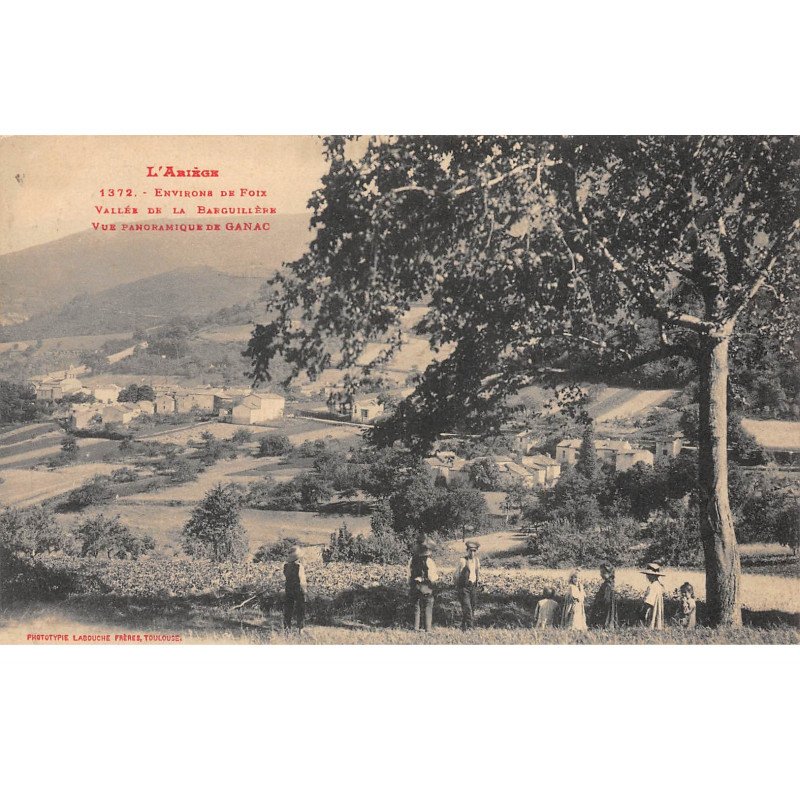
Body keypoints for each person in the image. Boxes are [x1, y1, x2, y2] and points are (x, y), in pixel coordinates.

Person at [408, 540, 439, 632]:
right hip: (426, 587)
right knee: (428, 606)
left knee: (416, 607)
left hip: (415, 586)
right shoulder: (429, 561)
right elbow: (432, 577)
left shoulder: (411, 560)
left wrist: (411, 584)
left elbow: (409, 575)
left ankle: (415, 628)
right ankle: (427, 629)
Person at [455, 540, 481, 631]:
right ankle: (470, 628)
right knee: (467, 607)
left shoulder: (477, 561)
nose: (472, 553)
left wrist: (479, 581)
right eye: (470, 550)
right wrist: (457, 586)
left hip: (473, 586)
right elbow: (457, 574)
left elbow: (477, 572)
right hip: (464, 587)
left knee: (472, 607)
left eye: (474, 551)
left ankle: (463, 626)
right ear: (467, 550)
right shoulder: (462, 560)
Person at [283, 545, 308, 633]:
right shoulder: (299, 566)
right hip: (298, 589)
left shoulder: (286, 566)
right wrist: (305, 591)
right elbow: (302, 580)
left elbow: (286, 577)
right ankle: (300, 629)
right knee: (300, 609)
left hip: (288, 588)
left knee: (288, 609)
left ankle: (287, 628)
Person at [590, 563, 619, 629]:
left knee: (607, 615)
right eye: (601, 572)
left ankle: (606, 626)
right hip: (606, 603)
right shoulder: (607, 583)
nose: (601, 575)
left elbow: (606, 598)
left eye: (603, 573)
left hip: (605, 604)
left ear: (610, 573)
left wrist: (599, 601)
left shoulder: (608, 585)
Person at [641, 562, 667, 629]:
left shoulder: (652, 587)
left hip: (653, 607)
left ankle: (652, 627)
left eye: (648, 575)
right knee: (657, 616)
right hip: (657, 606)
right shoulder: (659, 585)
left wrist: (645, 610)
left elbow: (650, 601)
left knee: (652, 617)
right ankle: (658, 626)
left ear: (653, 576)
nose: (647, 577)